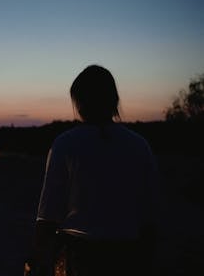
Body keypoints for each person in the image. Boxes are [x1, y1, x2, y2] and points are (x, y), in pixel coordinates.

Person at [28, 65, 159, 276]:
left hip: (79, 256)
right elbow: (149, 213)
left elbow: (49, 214)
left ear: (79, 103)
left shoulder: (65, 144)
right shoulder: (139, 145)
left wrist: (36, 258)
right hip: (129, 254)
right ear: (114, 101)